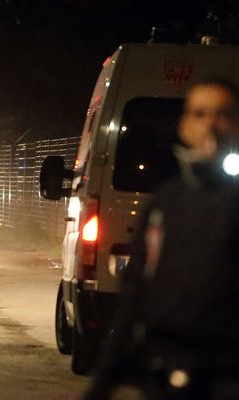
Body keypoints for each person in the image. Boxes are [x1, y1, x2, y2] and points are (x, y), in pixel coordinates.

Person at [83, 78, 239, 400]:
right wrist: (102, 383)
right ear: (183, 126)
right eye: (200, 113)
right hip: (164, 371)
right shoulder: (164, 206)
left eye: (222, 113)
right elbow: (134, 292)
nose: (211, 124)